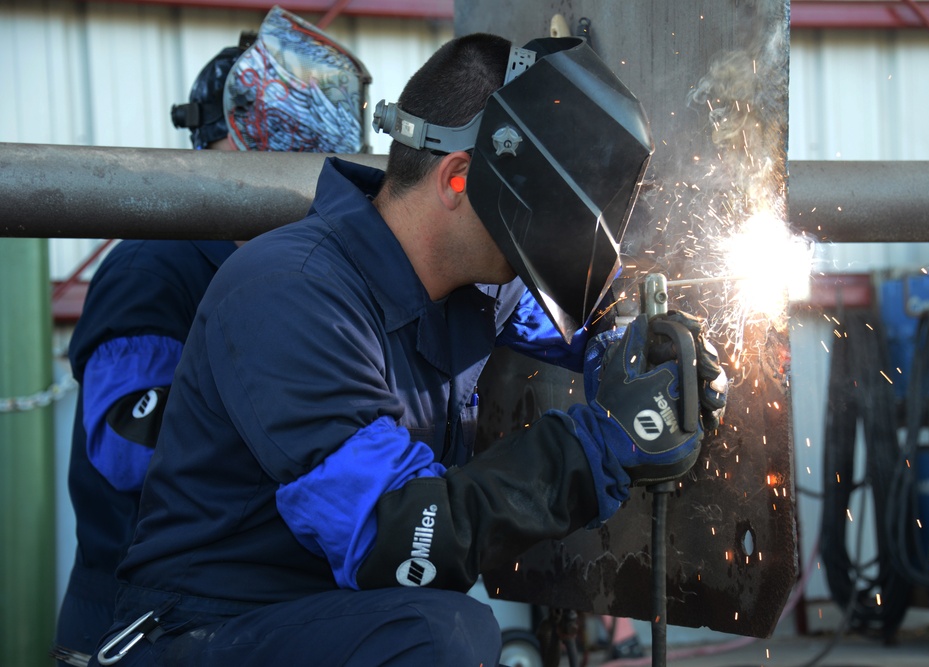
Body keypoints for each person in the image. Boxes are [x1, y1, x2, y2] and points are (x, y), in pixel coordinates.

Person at [90, 33, 726, 667]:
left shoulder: (474, 283)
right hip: (207, 628)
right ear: (460, 177)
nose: (550, 241)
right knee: (443, 637)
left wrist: (641, 349)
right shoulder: (291, 292)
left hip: (336, 618)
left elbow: (578, 319)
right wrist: (599, 446)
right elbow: (401, 540)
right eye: (542, 212)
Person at [53, 8, 370, 664]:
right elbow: (128, 447)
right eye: (266, 128)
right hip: (136, 628)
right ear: (222, 136)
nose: (281, 148)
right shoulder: (154, 266)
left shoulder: (278, 263)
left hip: (234, 622)